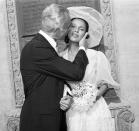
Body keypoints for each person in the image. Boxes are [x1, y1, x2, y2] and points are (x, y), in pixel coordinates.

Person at [19, 4, 89, 131]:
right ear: (61, 30)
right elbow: (76, 72)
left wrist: (67, 97)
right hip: (40, 123)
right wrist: (82, 47)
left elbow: (50, 81)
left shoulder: (43, 46)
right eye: (69, 27)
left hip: (49, 119)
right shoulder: (38, 48)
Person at [59, 6, 120, 131]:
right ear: (67, 29)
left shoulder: (96, 56)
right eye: (73, 27)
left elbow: (104, 84)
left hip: (95, 110)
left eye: (81, 29)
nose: (76, 31)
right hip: (73, 111)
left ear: (86, 34)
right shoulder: (59, 58)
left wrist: (90, 99)